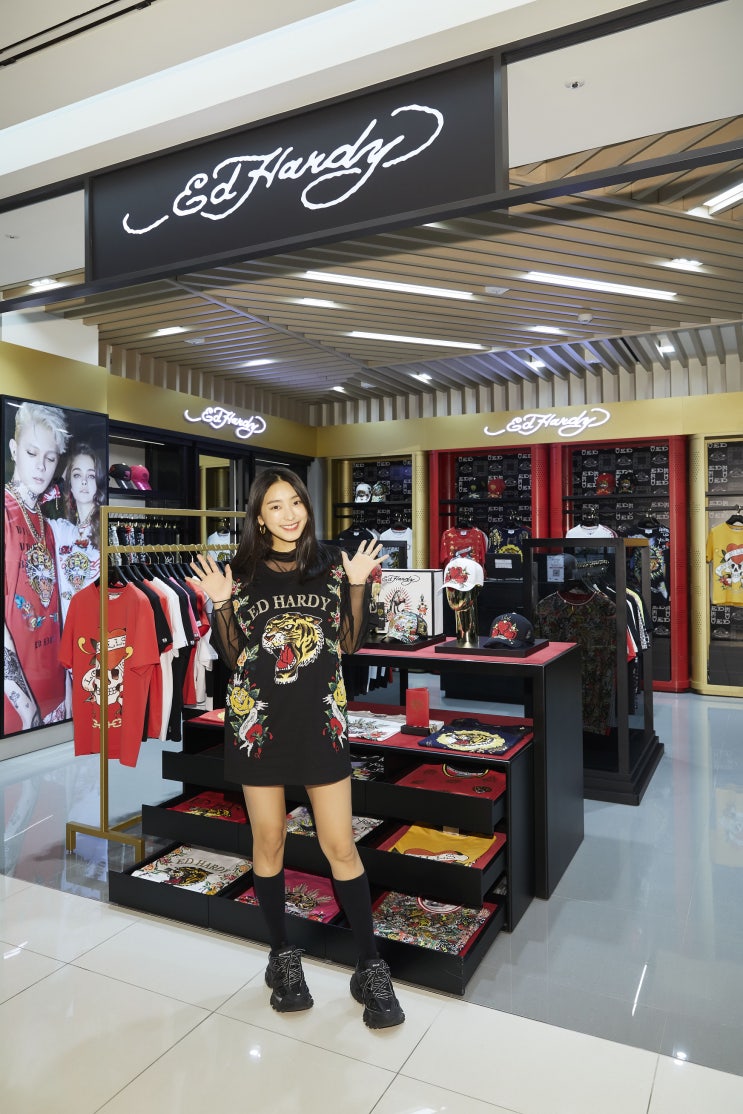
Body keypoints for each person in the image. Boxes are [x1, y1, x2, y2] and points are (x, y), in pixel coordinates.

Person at [190, 466, 405, 1029]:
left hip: (320, 724)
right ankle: (282, 956)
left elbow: (349, 644)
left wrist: (357, 585)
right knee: (269, 840)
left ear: (307, 508)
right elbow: (234, 658)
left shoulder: (332, 564)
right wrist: (220, 604)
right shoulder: (239, 572)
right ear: (259, 517)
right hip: (258, 725)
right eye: (275, 506)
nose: (289, 514)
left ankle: (369, 964)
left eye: (296, 503)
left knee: (341, 846)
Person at [4, 401, 69, 731]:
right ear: (14, 450)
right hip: (17, 705)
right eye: (32, 453)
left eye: (50, 457)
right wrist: (25, 706)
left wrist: (67, 682)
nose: (41, 466)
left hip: (55, 693)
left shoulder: (46, 526)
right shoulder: (5, 512)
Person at [48, 442, 105, 621]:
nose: (84, 482)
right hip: (66, 630)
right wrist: (60, 483)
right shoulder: (62, 530)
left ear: (98, 481)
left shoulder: (106, 529)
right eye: (77, 475)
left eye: (91, 476)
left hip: (97, 628)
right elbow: (30, 505)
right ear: (70, 483)